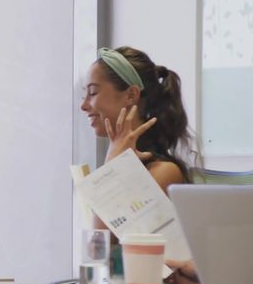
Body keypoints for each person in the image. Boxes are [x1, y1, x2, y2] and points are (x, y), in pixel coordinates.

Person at [80, 46, 193, 192]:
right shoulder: (119, 160)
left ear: (131, 95)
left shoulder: (164, 172)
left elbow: (104, 216)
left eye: (93, 92)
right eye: (85, 95)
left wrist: (113, 165)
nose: (83, 105)